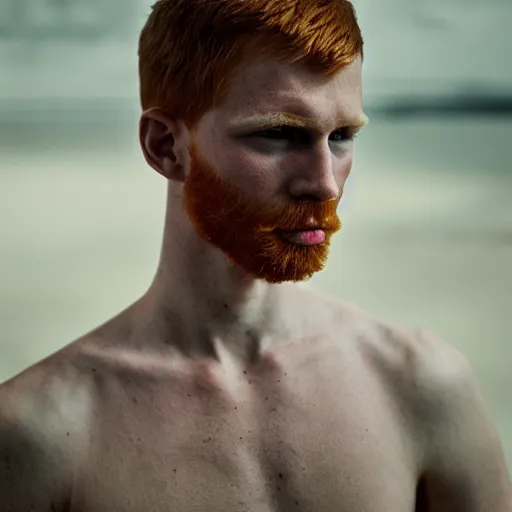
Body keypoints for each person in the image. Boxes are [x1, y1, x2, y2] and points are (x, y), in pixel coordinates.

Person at [1, 0, 511, 510]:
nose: (325, 184)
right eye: (278, 133)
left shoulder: (421, 385)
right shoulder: (40, 434)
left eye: (342, 137)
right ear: (165, 147)